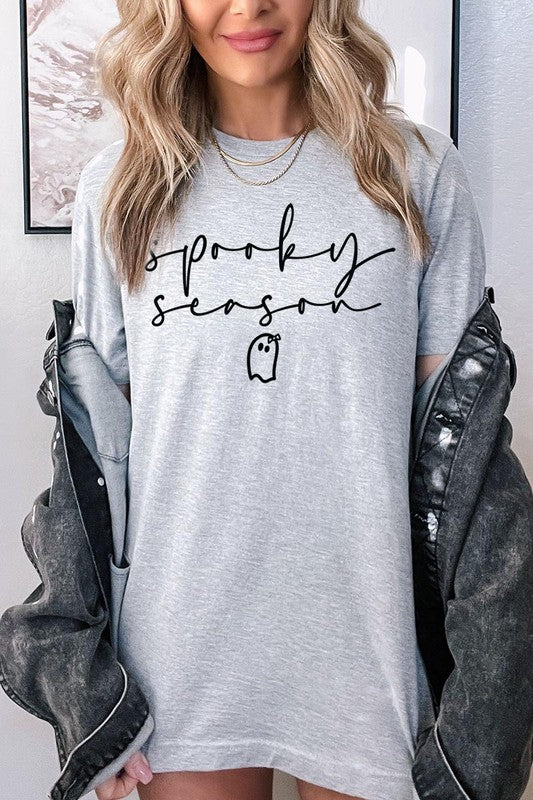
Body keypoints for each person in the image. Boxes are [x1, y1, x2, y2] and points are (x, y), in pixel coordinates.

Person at [70, 1, 487, 799]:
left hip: (372, 646)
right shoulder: (117, 189)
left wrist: (477, 695)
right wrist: (89, 698)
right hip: (178, 656)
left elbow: (462, 461)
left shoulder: (416, 172)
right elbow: (95, 468)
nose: (249, 6)